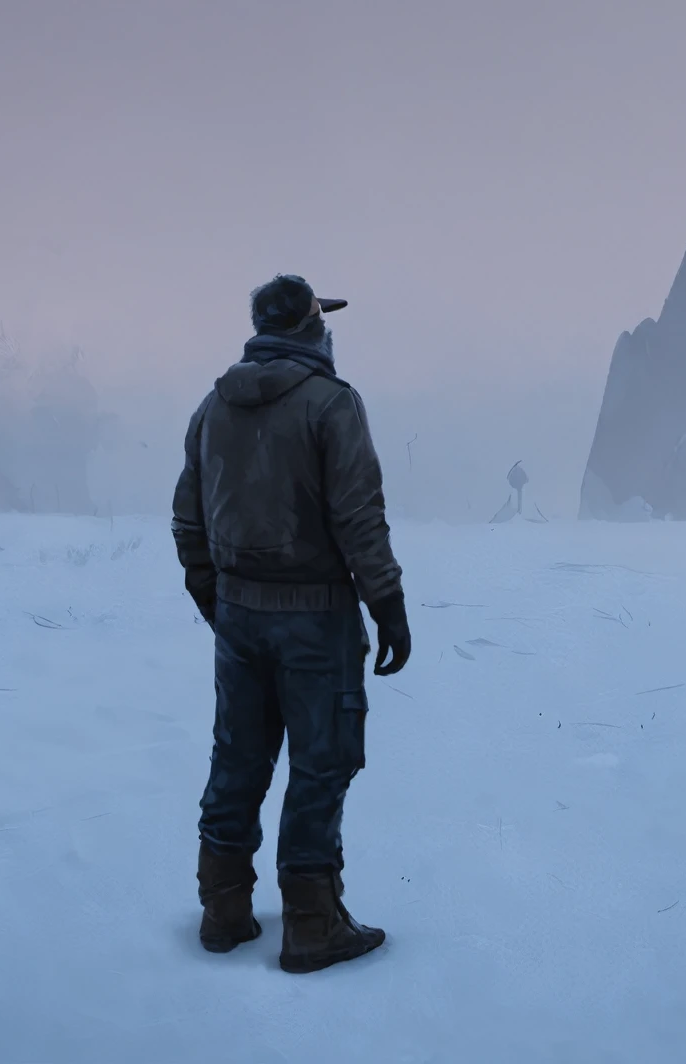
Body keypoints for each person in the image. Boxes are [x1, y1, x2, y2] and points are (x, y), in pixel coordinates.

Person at [172, 274, 412, 972]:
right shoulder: (331, 405)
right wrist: (387, 605)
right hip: (317, 619)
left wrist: (215, 601)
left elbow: (188, 518)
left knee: (237, 758)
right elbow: (359, 518)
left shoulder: (213, 406)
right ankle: (311, 923)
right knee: (322, 762)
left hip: (239, 617)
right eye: (321, 318)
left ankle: (222, 909)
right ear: (310, 327)